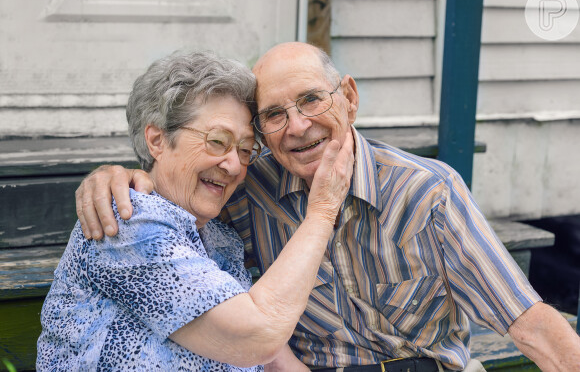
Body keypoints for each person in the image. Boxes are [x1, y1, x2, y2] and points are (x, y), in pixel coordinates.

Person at [75, 43, 580, 372]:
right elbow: (176, 185)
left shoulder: (428, 192)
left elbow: (530, 323)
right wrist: (119, 174)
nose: (297, 127)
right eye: (274, 114)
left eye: (312, 100)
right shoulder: (248, 188)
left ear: (350, 99)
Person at [37, 50, 354, 371]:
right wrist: (323, 211)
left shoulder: (220, 239)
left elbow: (278, 364)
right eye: (217, 141)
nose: (233, 165)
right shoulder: (128, 223)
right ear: (157, 139)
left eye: (245, 149)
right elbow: (257, 338)